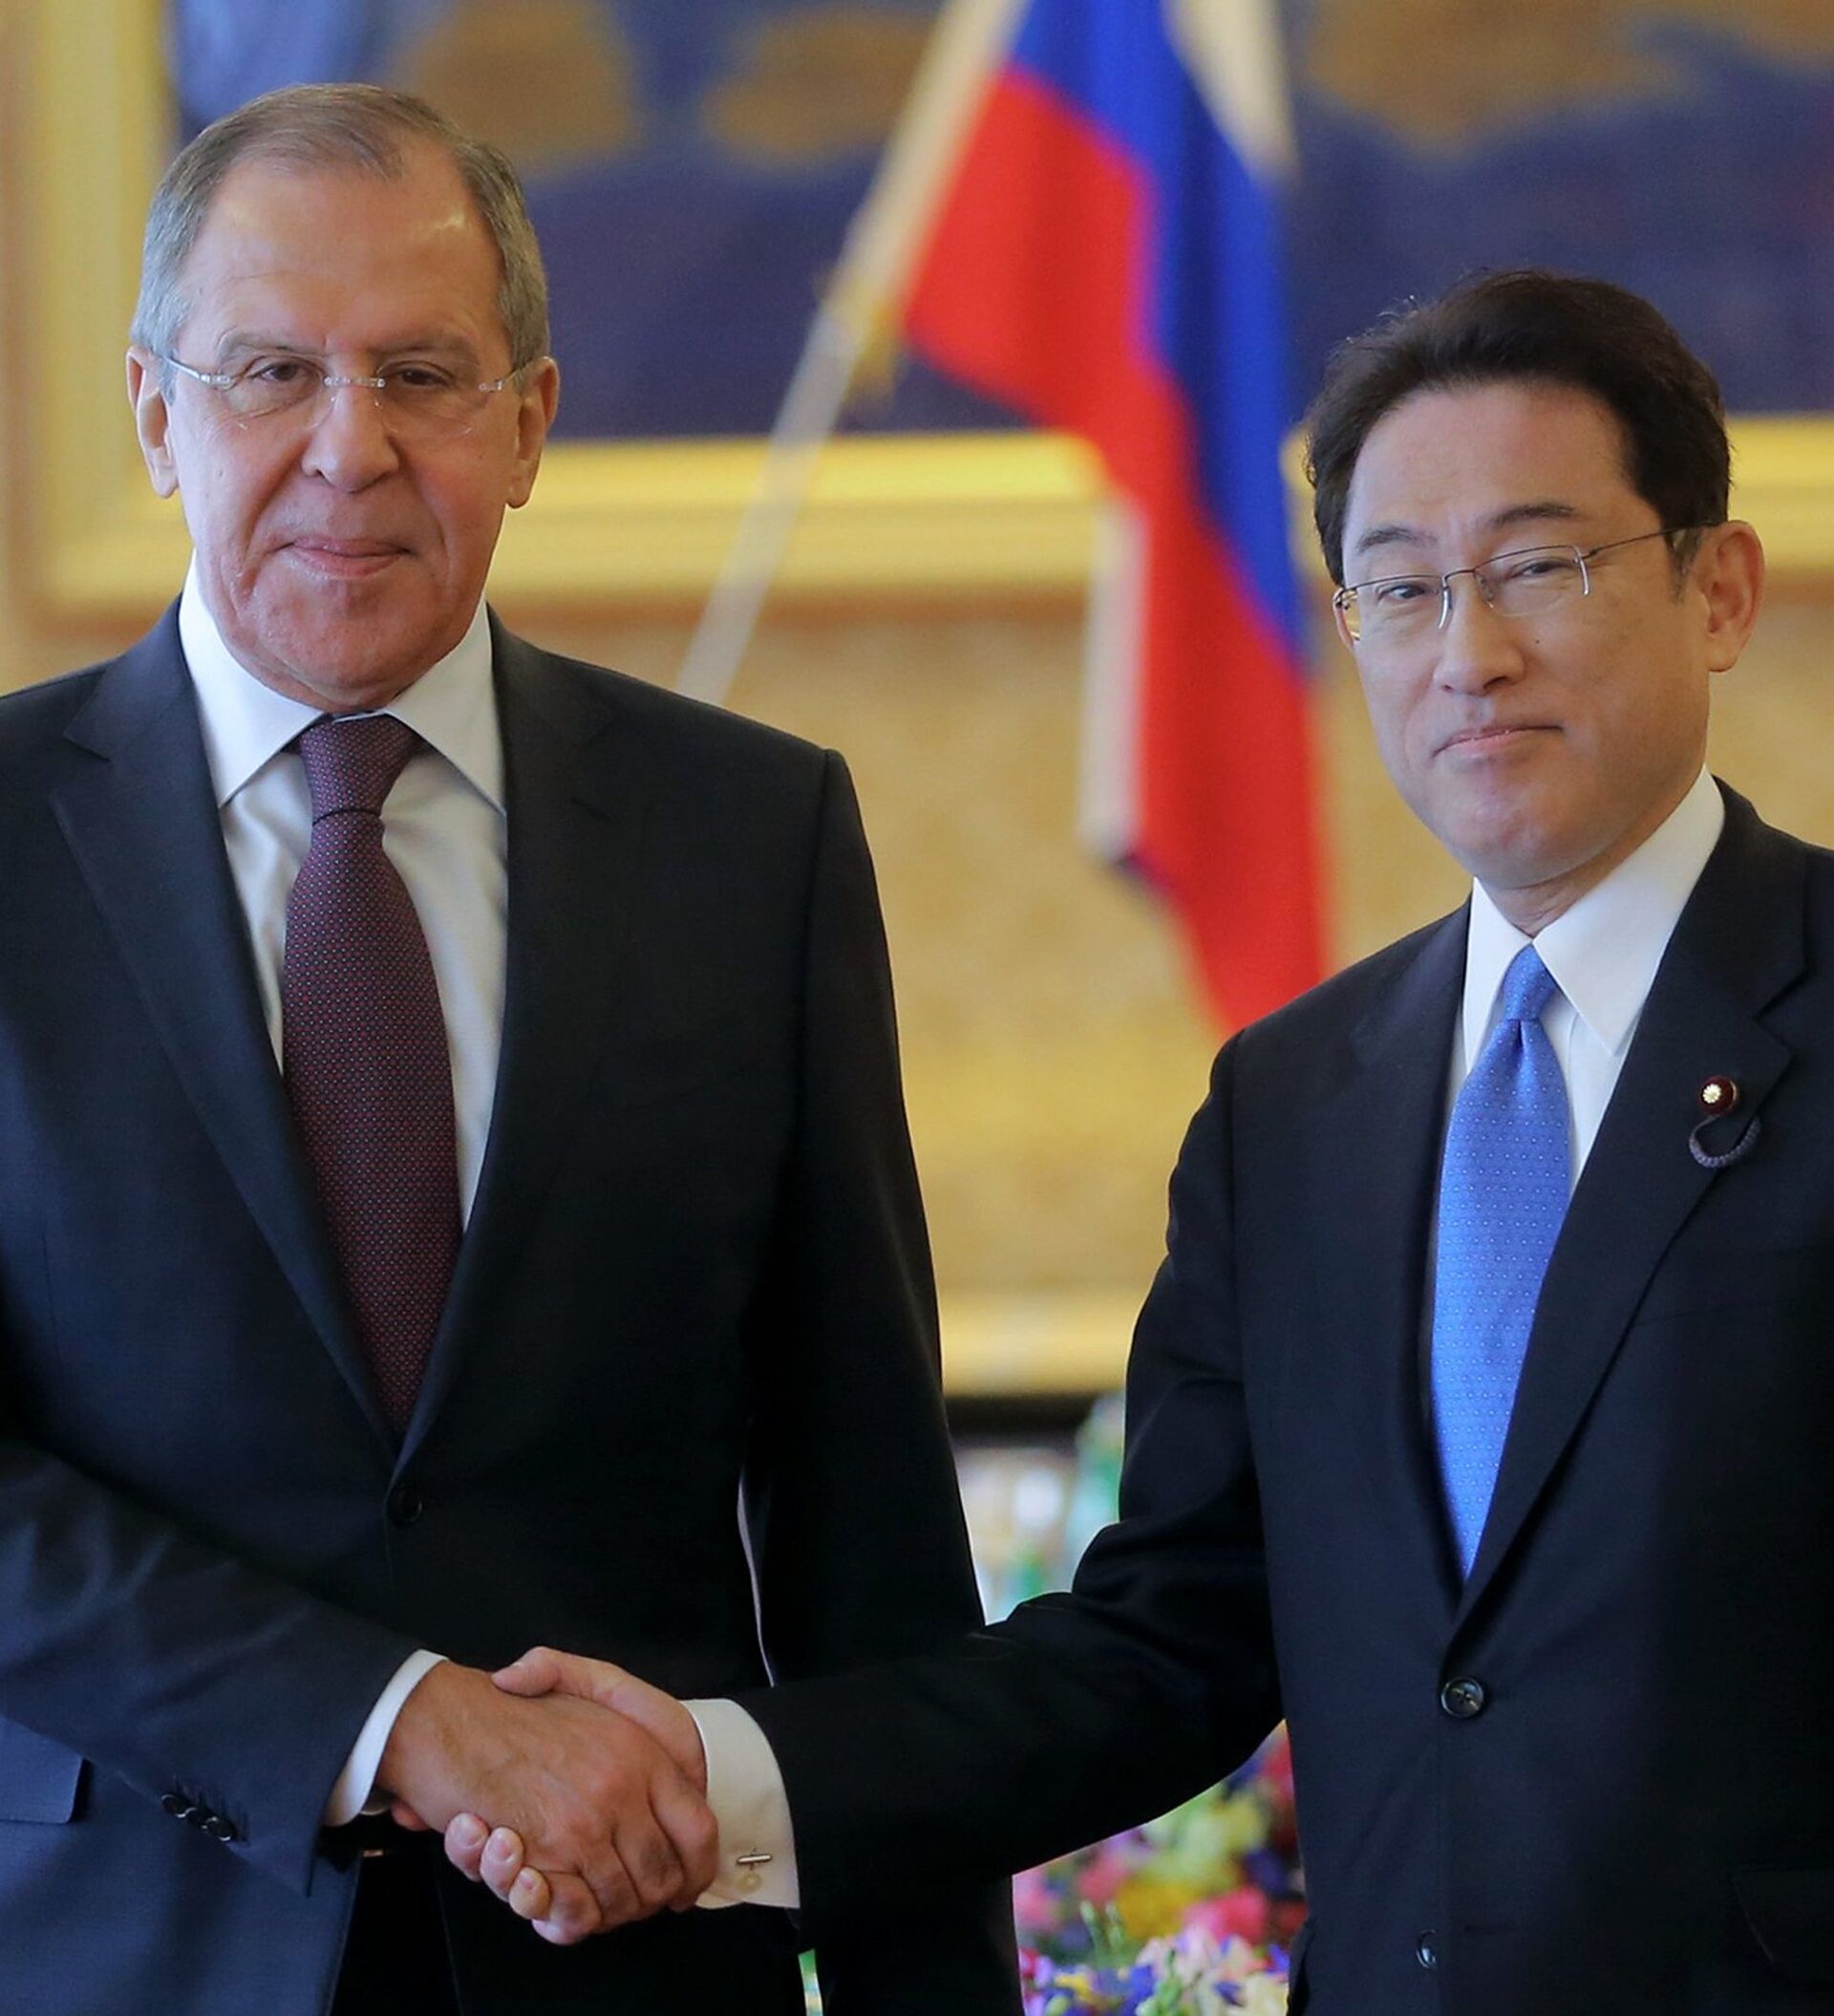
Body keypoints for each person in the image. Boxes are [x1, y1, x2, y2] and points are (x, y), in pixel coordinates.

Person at [456, 270, 1834, 2014]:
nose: (1468, 652)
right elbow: (1165, 1643)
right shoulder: (1299, 1105)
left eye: (1541, 566)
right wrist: (719, 1775)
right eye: (1402, 587)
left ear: (1720, 588)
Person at [0, 82, 1014, 2016]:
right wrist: (396, 1715)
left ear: (530, 421)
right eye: (272, 372)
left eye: (421, 375)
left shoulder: (751, 837)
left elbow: (867, 1525)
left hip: (631, 1971)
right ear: (154, 416)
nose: (348, 446)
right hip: (115, 1948)